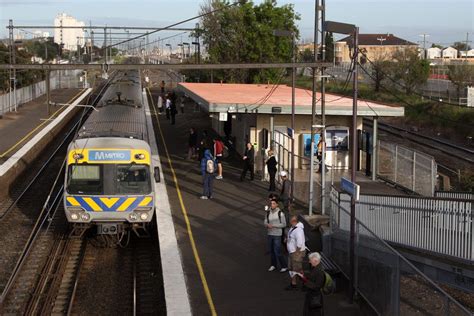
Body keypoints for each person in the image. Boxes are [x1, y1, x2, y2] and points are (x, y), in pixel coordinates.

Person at [264, 199, 288, 273]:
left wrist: (273, 225)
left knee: (277, 251)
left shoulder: (280, 213)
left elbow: (284, 224)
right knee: (272, 251)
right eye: (271, 203)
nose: (272, 205)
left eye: (274, 203)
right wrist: (267, 225)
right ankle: (273, 265)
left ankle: (284, 266)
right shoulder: (268, 212)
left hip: (277, 235)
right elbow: (265, 221)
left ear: (277, 204)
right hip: (270, 234)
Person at [286, 215, 306, 291]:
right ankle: (294, 283)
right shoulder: (294, 227)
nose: (290, 222)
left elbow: (299, 244)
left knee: (298, 269)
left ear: (295, 221)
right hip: (292, 252)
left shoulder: (298, 230)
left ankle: (305, 283)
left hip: (296, 253)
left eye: (292, 221)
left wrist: (296, 253)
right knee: (292, 268)